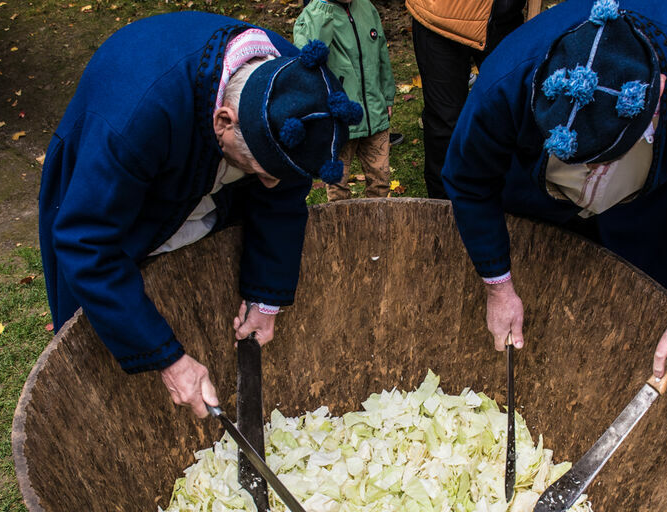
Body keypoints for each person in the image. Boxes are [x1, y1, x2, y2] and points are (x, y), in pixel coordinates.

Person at [443, 0, 667, 387]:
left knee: (641, 314)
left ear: (660, 94)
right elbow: (469, 179)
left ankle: (617, 384)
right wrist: (497, 283)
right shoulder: (510, 75)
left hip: (653, 200)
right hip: (539, 193)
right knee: (534, 290)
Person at [38, 13, 361, 417]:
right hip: (118, 180)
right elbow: (85, 242)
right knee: (108, 315)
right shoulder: (134, 118)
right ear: (224, 120)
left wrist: (266, 295)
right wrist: (166, 358)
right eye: (260, 172)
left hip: (202, 175)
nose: (272, 185)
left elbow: (283, 192)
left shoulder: (294, 90)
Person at [407, 0, 525, 198]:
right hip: (441, 17)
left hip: (504, 17)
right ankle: (444, 210)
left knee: (512, 115)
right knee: (445, 125)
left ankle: (511, 206)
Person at [295, 0, 396, 200]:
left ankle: (377, 227)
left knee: (381, 181)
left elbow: (381, 52)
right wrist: (322, 11)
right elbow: (309, 55)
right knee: (337, 187)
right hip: (339, 120)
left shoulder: (366, 8)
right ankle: (341, 228)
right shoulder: (312, 15)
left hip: (374, 113)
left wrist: (387, 94)